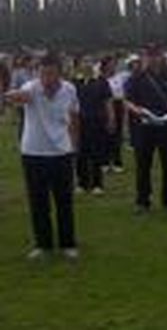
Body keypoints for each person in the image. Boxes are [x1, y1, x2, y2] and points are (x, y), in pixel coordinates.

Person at [3, 54, 81, 261]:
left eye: (51, 73)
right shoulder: (32, 88)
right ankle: (43, 245)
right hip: (33, 153)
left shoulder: (69, 89)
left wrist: (73, 145)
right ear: (38, 73)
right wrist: (11, 96)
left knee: (64, 201)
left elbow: (74, 117)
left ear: (60, 73)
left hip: (61, 153)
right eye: (43, 73)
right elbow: (16, 97)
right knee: (38, 202)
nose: (47, 78)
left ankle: (68, 244)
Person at [125, 45, 167, 214]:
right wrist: (139, 111)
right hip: (144, 126)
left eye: (156, 55)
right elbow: (128, 100)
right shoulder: (137, 76)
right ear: (144, 57)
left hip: (166, 125)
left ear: (161, 56)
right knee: (143, 165)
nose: (153, 59)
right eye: (149, 55)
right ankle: (143, 201)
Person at [73, 58, 115, 195]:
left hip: (97, 121)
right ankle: (82, 183)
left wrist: (111, 118)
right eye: (84, 62)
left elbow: (108, 101)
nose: (87, 64)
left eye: (89, 62)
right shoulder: (75, 83)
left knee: (97, 153)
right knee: (80, 153)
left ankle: (97, 184)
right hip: (80, 122)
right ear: (79, 66)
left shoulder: (101, 82)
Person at [102, 56, 129, 173]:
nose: (113, 66)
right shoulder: (101, 79)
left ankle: (117, 161)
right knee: (105, 134)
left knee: (117, 134)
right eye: (111, 63)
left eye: (114, 64)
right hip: (104, 105)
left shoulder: (121, 77)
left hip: (118, 105)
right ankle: (105, 161)